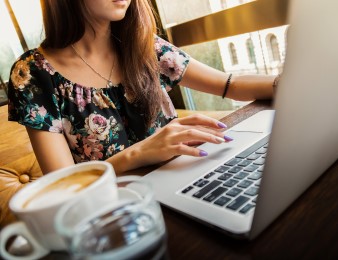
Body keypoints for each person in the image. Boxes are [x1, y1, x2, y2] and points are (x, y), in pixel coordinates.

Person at [7, 0, 278, 175]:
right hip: (114, 212)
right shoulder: (33, 73)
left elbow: (228, 84)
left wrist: (289, 82)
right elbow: (63, 184)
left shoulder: (144, 45)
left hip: (184, 178)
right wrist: (138, 153)